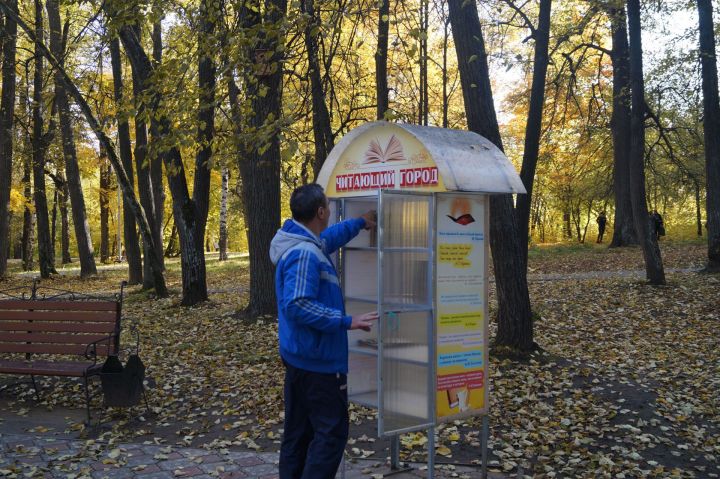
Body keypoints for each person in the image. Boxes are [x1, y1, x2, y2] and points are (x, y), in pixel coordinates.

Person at [270, 183, 378, 479]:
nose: (330, 211)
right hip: (318, 365)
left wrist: (359, 222)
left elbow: (328, 239)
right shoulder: (305, 254)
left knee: (299, 434)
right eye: (328, 207)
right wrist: (345, 321)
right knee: (330, 436)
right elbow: (297, 304)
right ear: (320, 211)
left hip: (301, 358)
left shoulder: (302, 243)